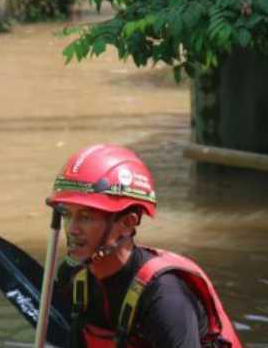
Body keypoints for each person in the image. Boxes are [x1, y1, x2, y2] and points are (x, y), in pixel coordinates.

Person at [46, 144, 243, 348]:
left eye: (86, 217)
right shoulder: (74, 278)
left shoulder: (166, 299)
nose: (72, 229)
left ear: (127, 223)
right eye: (67, 214)